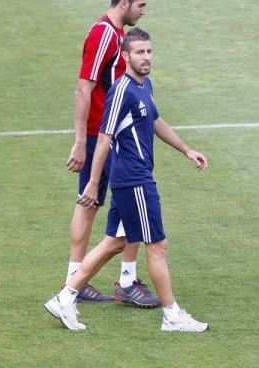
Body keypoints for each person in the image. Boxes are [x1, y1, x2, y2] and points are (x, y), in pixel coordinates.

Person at [45, 27, 210, 332]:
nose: (146, 57)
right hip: (133, 180)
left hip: (137, 177)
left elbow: (156, 120)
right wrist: (93, 183)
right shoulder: (121, 90)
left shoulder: (144, 86)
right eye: (139, 52)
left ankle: (65, 297)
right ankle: (171, 315)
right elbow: (104, 137)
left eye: (149, 51)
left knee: (116, 242)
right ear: (125, 55)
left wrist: (186, 149)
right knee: (157, 245)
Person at [63, 0, 159, 307]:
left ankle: (125, 280)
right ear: (124, 4)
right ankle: (74, 280)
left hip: (117, 136)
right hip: (98, 134)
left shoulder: (120, 36)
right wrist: (80, 141)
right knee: (88, 202)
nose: (144, 11)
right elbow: (83, 88)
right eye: (140, 5)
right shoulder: (104, 34)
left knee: (123, 204)